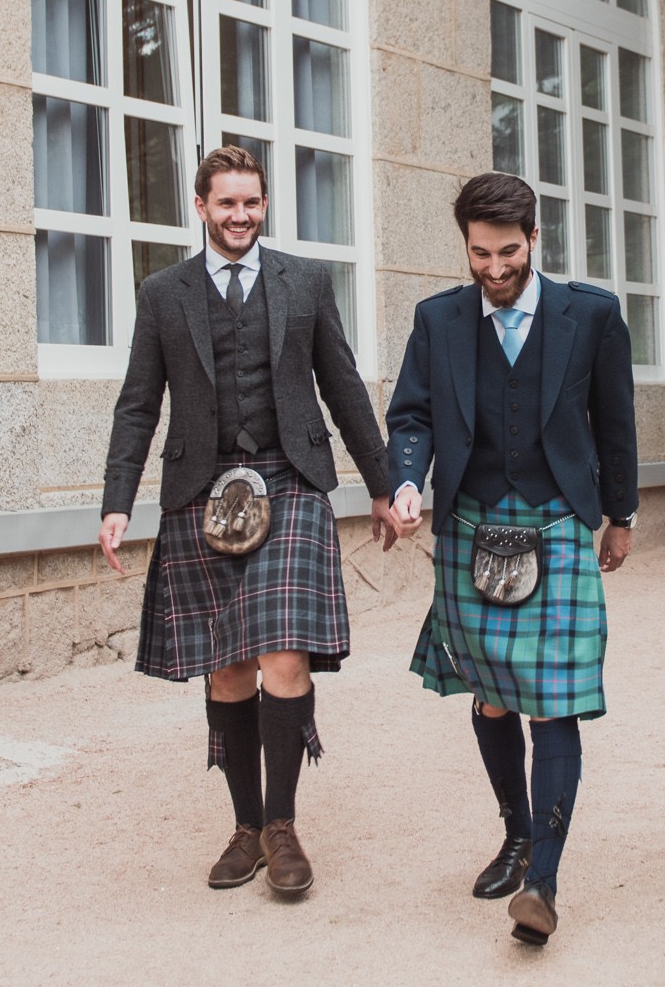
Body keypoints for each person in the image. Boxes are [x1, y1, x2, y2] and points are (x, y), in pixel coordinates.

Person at [96, 145, 399, 898]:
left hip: (289, 478)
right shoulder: (164, 293)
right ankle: (245, 823)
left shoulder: (306, 280)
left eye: (252, 202)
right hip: (202, 490)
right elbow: (139, 403)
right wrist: (115, 499)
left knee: (283, 658)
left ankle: (283, 825)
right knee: (227, 666)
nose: (241, 215)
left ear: (265, 205)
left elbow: (343, 387)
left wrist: (385, 486)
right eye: (226, 203)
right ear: (200, 207)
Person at [386, 172, 638, 948]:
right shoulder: (438, 320)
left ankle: (544, 882)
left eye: (507, 252)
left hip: (558, 517)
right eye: (479, 253)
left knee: (554, 699)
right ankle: (517, 833)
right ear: (464, 244)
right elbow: (413, 414)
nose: (494, 269)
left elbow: (615, 421)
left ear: (534, 238)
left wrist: (620, 513)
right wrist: (403, 479)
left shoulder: (590, 315)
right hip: (470, 519)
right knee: (493, 693)